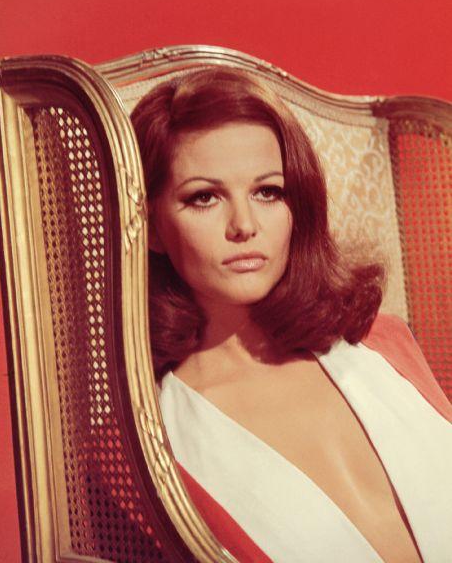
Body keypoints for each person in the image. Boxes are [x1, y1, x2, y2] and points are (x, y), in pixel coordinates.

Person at [131, 68, 452, 563]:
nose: (244, 225)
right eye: (204, 197)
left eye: (268, 192)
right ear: (152, 228)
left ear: (296, 206)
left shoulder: (385, 344)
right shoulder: (150, 442)